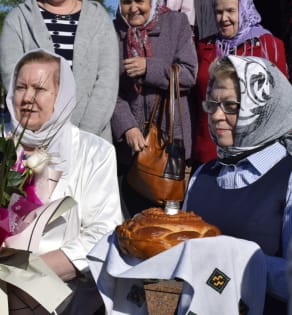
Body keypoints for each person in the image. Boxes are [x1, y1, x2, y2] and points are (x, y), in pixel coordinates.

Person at [5, 49, 123, 314]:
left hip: (67, 298)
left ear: (62, 96)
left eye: (39, 88)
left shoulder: (95, 152)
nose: (27, 98)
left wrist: (28, 274)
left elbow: (102, 233)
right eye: (21, 87)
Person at [184, 55, 292, 313]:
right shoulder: (202, 175)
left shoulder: (287, 178)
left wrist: (232, 258)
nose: (217, 116)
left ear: (264, 108)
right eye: (213, 104)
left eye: (231, 106)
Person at [111, 0, 198, 216]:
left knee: (166, 225)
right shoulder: (113, 32)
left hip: (168, 147)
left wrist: (149, 67)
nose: (133, 8)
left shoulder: (176, 23)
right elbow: (108, 88)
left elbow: (188, 75)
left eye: (140, 1)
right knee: (130, 223)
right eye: (126, 2)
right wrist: (127, 127)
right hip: (130, 152)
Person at [0, 0, 119, 142]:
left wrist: (82, 137)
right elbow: (13, 79)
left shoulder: (99, 18)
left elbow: (107, 83)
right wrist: (45, 136)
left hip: (92, 140)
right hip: (35, 143)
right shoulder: (18, 19)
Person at [192, 0, 288, 169]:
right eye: (219, 12)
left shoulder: (268, 45)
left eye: (230, 11)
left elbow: (281, 102)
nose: (224, 18)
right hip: (208, 153)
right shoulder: (204, 47)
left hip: (254, 155)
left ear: (244, 11)